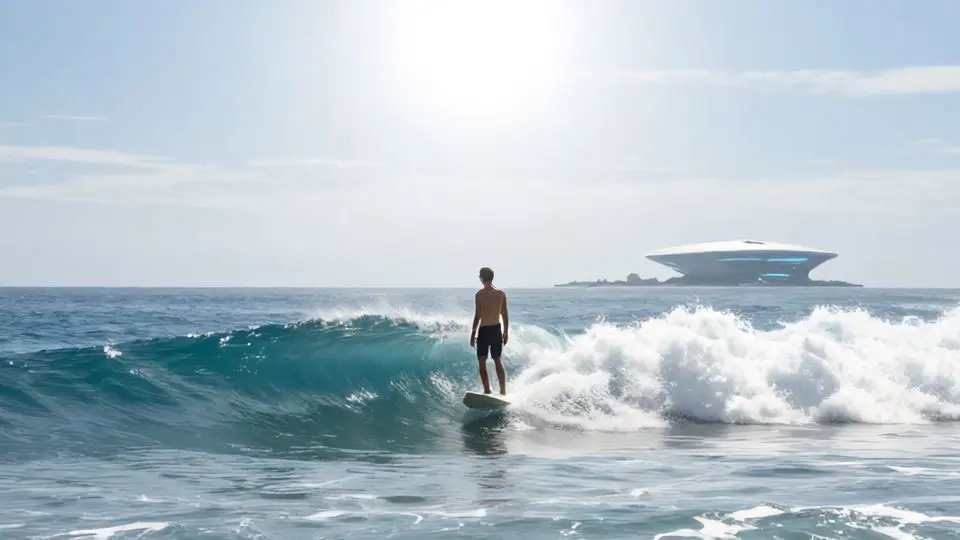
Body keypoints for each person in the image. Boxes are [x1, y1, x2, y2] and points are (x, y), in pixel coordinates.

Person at [469, 266, 509, 395]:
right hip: (496, 329)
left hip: (484, 331)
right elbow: (505, 314)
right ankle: (503, 392)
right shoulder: (501, 294)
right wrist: (505, 332)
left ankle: (487, 390)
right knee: (497, 359)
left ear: (481, 278)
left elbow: (477, 315)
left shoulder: (479, 295)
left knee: (482, 361)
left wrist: (473, 333)